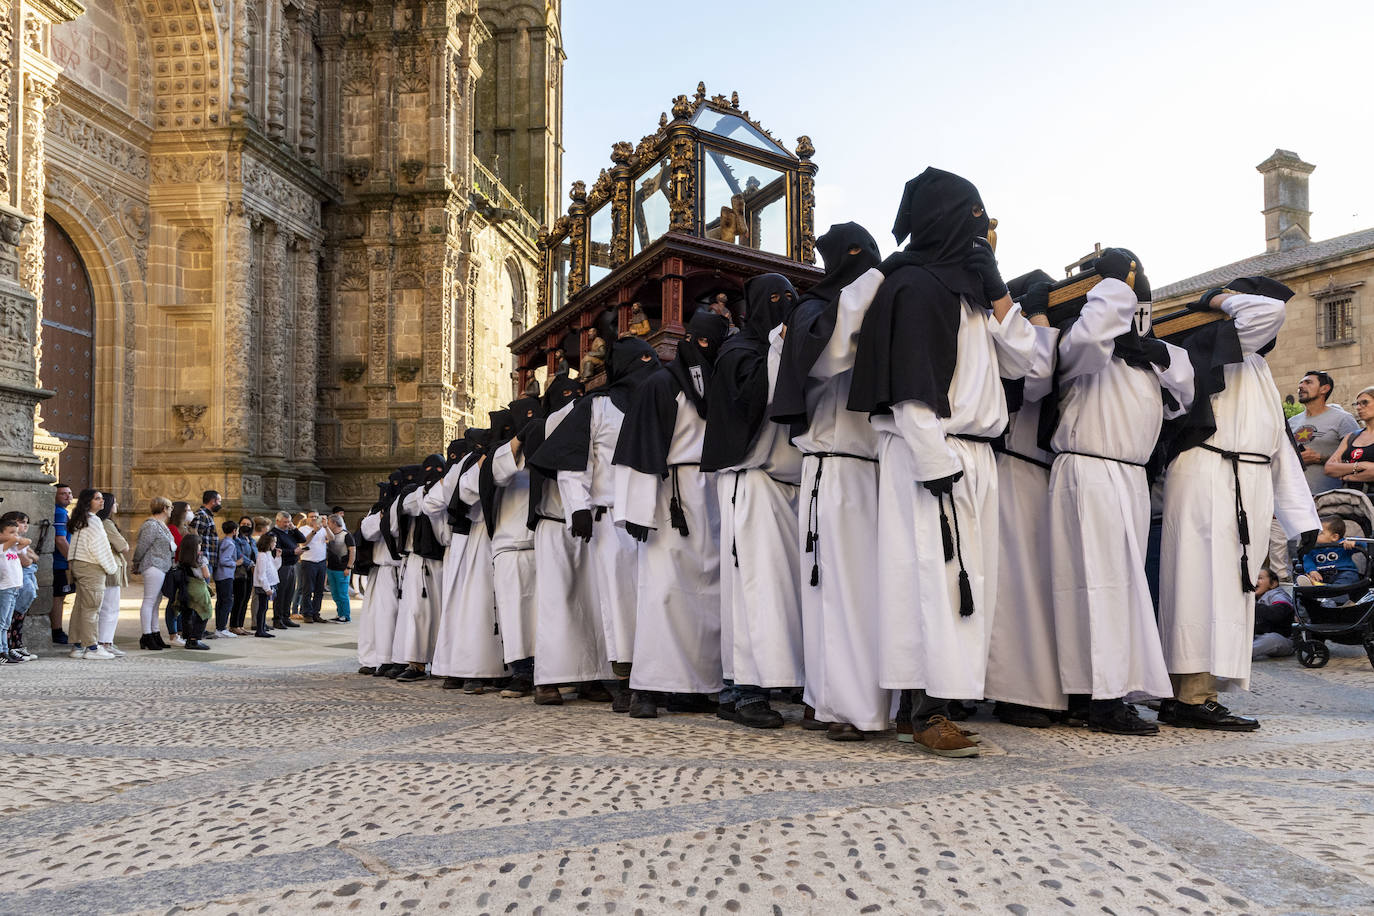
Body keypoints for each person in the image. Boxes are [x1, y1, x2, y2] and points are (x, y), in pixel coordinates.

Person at [847, 169, 1041, 757]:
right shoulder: (915, 287)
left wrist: (1000, 289)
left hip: (972, 452)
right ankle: (925, 710)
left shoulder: (971, 294)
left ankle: (927, 705)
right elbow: (911, 389)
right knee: (932, 577)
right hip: (934, 450)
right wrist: (934, 461)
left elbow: (1024, 362)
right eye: (977, 216)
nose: (986, 228)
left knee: (960, 579)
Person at [1156, 279, 1319, 732]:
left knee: (1228, 588)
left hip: (1242, 481)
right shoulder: (1208, 343)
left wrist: (1300, 520)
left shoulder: (1258, 367)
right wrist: (1218, 299)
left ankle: (1195, 692)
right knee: (1198, 584)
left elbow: (1278, 449)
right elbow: (1266, 312)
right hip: (1208, 475)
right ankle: (1187, 695)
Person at [1047, 249, 1195, 736]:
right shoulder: (1086, 349)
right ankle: (1100, 698)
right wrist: (1115, 282)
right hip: (1089, 468)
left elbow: (1184, 396)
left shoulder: (1146, 360)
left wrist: (1154, 350)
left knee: (1120, 588)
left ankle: (1108, 688)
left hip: (1128, 477)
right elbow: (1090, 335)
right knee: (1096, 586)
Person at [770, 222, 888, 740]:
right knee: (829, 590)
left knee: (856, 590)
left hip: (866, 466)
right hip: (833, 464)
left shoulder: (858, 302)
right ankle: (828, 700)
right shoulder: (816, 309)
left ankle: (858, 704)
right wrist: (873, 283)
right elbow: (829, 356)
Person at [530, 335, 663, 712]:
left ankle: (656, 676)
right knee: (619, 603)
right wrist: (579, 508)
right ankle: (626, 679)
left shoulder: (657, 402)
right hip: (611, 522)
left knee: (654, 600)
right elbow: (574, 461)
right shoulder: (597, 406)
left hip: (653, 521)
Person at [612, 309, 731, 719]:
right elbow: (641, 447)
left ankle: (695, 685)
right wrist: (638, 510)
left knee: (708, 593)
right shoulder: (661, 385)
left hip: (711, 494)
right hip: (671, 498)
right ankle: (648, 686)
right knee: (663, 592)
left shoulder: (718, 383)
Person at [702, 273, 803, 729]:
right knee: (752, 591)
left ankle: (752, 684)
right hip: (752, 478)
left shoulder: (774, 348)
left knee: (779, 591)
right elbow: (747, 406)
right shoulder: (739, 352)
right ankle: (743, 691)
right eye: (778, 300)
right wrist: (779, 352)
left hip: (786, 485)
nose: (787, 306)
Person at [982, 274, 1066, 729]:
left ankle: (1025, 686)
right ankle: (1012, 689)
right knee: (1015, 585)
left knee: (1032, 583)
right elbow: (1034, 376)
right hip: (1014, 467)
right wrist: (1038, 320)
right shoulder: (1007, 335)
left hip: (1037, 472)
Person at [520, 374, 614, 706]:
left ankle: (592, 676)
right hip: (554, 522)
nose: (573, 397)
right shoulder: (544, 426)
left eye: (577, 392)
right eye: (566, 394)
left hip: (589, 522)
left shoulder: (590, 413)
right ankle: (547, 680)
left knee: (592, 602)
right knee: (556, 603)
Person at [425, 433, 505, 691]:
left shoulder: (458, 466)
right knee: (477, 606)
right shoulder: (473, 462)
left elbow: (433, 502)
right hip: (478, 537)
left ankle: (456, 669)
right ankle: (476, 669)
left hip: (464, 540)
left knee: (462, 607)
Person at [486, 401, 544, 697]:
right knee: (515, 614)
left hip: (543, 543)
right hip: (510, 546)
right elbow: (497, 475)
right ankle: (522, 671)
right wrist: (520, 439)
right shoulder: (499, 453)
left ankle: (550, 671)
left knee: (544, 613)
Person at [392, 458, 447, 682]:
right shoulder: (414, 493)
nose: (432, 474)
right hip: (417, 561)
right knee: (416, 613)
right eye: (428, 471)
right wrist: (428, 490)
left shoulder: (445, 491)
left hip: (442, 559)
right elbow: (409, 506)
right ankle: (415, 662)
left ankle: (441, 660)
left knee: (441, 613)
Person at [65, 489, 118, 659]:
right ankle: (92, 648)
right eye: (97, 499)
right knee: (92, 608)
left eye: (102, 499)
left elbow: (74, 546)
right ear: (88, 501)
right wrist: (111, 567)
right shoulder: (93, 521)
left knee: (81, 606)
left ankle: (78, 645)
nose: (101, 502)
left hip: (80, 565)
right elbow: (100, 548)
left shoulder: (82, 519)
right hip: (91, 566)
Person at [1289, 370, 1361, 495]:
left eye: (1308, 383)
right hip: (1293, 497)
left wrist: (1319, 458)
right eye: (1300, 383)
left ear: (1324, 389)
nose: (1301, 386)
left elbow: (1357, 460)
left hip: (1328, 499)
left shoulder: (1343, 419)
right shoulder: (1291, 422)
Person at [132, 497, 175, 650]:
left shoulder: (161, 525)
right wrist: (136, 562)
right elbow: (142, 546)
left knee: (156, 602)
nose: (171, 510)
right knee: (149, 601)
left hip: (162, 565)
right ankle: (147, 635)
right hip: (153, 564)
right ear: (164, 508)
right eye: (170, 507)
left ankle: (155, 633)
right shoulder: (151, 525)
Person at [96, 493, 131, 657]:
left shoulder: (99, 522)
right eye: (115, 502)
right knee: (110, 608)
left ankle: (104, 641)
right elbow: (123, 546)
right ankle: (105, 642)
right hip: (111, 567)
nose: (117, 505)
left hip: (105, 567)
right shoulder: (107, 523)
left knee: (105, 607)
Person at [1323, 386, 1374, 493]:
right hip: (1352, 502)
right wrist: (1361, 465)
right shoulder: (1351, 437)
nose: (1359, 407)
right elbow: (1329, 468)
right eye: (1357, 404)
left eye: (1365, 402)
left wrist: (1348, 476)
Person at [167, 532, 213, 649]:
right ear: (195, 546)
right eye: (199, 544)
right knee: (204, 612)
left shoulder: (181, 559)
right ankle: (194, 639)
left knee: (187, 613)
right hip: (198, 588)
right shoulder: (201, 559)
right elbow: (206, 574)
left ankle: (187, 638)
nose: (200, 546)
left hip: (185, 588)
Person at [6, 512, 39, 661]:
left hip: (24, 575)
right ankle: (9, 647)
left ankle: (16, 644)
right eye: (21, 522)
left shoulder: (20, 541)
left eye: (26, 522)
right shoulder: (13, 542)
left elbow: (35, 556)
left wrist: (31, 558)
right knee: (11, 617)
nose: (25, 525)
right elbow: (26, 561)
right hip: (16, 579)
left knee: (19, 616)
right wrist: (30, 559)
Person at [1299, 517, 1362, 588]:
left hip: (1343, 572)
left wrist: (1354, 542)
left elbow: (1364, 545)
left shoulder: (1342, 544)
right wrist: (1312, 570)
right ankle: (1319, 587)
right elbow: (1307, 559)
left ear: (1334, 537)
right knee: (1309, 577)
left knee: (1347, 579)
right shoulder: (1313, 548)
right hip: (1321, 575)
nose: (1315, 535)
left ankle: (1328, 590)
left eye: (1320, 533)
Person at [0, 515, 29, 664]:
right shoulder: (2, 547)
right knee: (1, 622)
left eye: (16, 532)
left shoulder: (11, 547)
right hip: (5, 589)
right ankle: (1, 651)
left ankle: (4, 650)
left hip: (14, 588)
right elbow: (17, 540)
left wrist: (15, 537)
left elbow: (27, 541)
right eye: (11, 532)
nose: (15, 536)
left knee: (6, 624)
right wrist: (15, 538)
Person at [270, 511, 305, 629]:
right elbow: (276, 550)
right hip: (282, 566)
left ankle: (286, 617)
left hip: (292, 565)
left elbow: (302, 539)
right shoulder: (274, 533)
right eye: (285, 522)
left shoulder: (290, 531)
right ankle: (277, 619)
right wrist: (293, 552)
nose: (287, 524)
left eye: (289, 521)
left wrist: (294, 528)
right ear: (277, 521)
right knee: (281, 593)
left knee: (289, 592)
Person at [296, 510, 331, 624]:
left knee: (319, 590)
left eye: (316, 517)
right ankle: (307, 613)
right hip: (308, 562)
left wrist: (326, 527)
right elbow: (304, 543)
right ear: (307, 518)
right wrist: (314, 531)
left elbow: (332, 539)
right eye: (311, 517)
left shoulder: (323, 529)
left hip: (320, 561)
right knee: (307, 589)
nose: (314, 519)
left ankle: (316, 613)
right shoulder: (303, 529)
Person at [1252, 569, 1296, 660]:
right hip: (1260, 637)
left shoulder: (1277, 594)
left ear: (1273, 584)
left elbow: (1278, 613)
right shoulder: (1253, 597)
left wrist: (1253, 606)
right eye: (1253, 578)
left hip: (1283, 640)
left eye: (1259, 578)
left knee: (1272, 639)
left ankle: (1237, 656)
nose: (1254, 581)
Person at [51, 482, 72, 644]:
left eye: (69, 493)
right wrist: (70, 559)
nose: (68, 496)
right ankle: (57, 631)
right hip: (59, 563)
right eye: (63, 493)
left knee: (61, 596)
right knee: (58, 597)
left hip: (60, 562)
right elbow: (60, 539)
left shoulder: (62, 512)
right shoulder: (59, 513)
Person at [324, 514, 355, 623]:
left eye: (329, 523)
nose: (328, 525)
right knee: (335, 593)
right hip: (331, 568)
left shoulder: (346, 535)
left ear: (334, 523)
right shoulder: (330, 535)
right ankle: (340, 613)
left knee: (342, 594)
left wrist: (349, 567)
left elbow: (352, 551)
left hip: (342, 569)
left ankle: (346, 616)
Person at [250, 522, 279, 638]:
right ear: (268, 543)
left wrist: (278, 557)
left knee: (265, 607)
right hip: (263, 586)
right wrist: (267, 588)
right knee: (262, 608)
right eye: (274, 542)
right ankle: (259, 629)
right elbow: (261, 575)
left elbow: (274, 568)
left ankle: (262, 628)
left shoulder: (267, 554)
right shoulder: (261, 556)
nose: (275, 544)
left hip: (270, 584)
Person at [213, 520, 240, 638]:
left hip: (219, 575)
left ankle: (219, 627)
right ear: (234, 531)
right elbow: (224, 560)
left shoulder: (222, 541)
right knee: (227, 601)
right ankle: (221, 628)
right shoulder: (230, 543)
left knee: (221, 601)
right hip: (226, 575)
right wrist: (236, 563)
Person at [230, 519, 255, 634]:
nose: (246, 526)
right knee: (239, 599)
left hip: (251, 572)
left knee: (245, 599)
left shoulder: (252, 540)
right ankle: (234, 625)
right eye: (243, 524)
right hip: (240, 572)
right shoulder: (237, 540)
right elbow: (239, 555)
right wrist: (251, 564)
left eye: (248, 524)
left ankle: (240, 625)